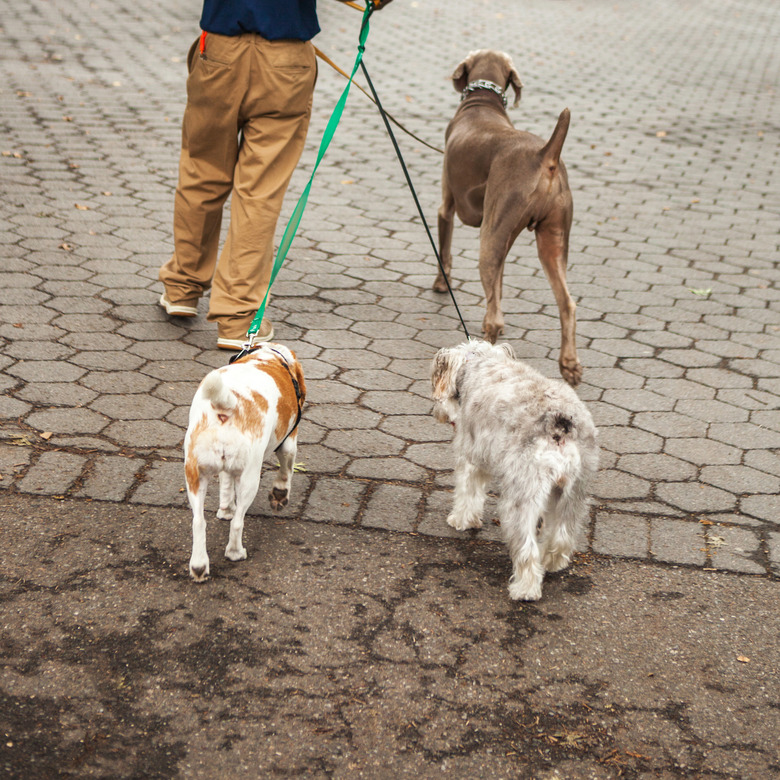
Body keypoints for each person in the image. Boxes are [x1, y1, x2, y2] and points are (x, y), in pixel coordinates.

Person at [158, 0, 393, 350]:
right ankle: (237, 316)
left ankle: (182, 286)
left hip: (219, 49)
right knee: (259, 190)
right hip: (285, 60)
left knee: (202, 173)